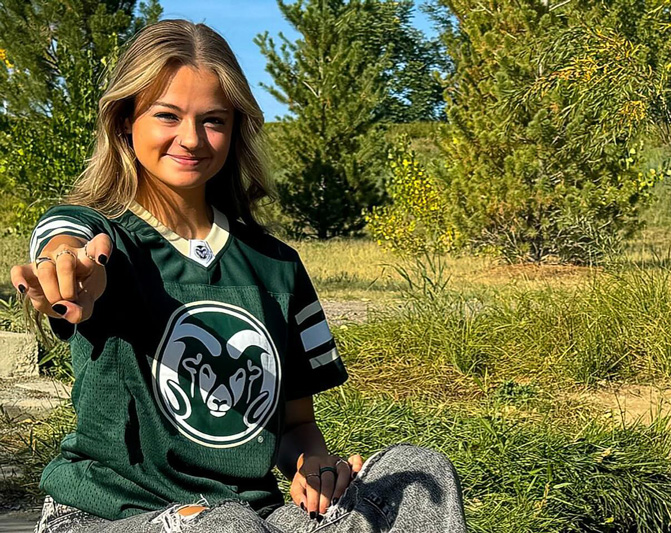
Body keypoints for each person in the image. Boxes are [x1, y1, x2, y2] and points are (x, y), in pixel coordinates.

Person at [9, 19, 467, 533]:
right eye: (167, 116)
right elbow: (67, 235)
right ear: (124, 123)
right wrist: (66, 263)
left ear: (236, 129)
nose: (192, 139)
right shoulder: (109, 240)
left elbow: (296, 426)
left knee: (417, 474)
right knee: (221, 525)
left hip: (256, 516)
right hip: (107, 516)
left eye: (213, 121)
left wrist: (312, 467)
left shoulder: (277, 264)